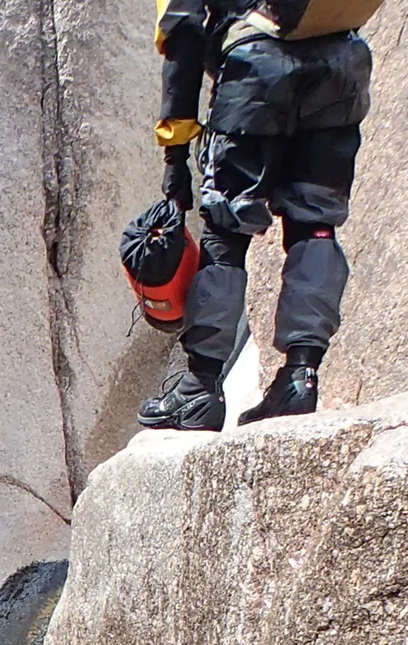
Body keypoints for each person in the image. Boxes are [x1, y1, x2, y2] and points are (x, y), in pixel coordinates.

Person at [138, 0, 377, 433]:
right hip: (342, 66)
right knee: (316, 224)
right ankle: (300, 378)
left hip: (256, 74)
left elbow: (183, 29)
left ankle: (199, 390)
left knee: (225, 234)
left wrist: (175, 154)